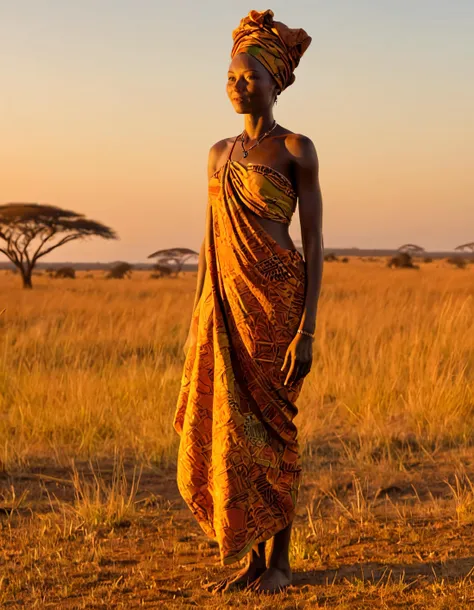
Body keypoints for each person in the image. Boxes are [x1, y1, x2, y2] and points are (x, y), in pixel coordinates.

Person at [173, 9, 323, 594]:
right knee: (235, 431)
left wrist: (306, 329)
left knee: (276, 431)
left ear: (273, 81)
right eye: (231, 77)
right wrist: (199, 319)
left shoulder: (296, 148)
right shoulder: (217, 154)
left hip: (278, 304)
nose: (238, 86)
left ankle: (281, 561)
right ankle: (254, 559)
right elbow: (210, 245)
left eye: (249, 77)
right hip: (225, 308)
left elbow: (312, 243)